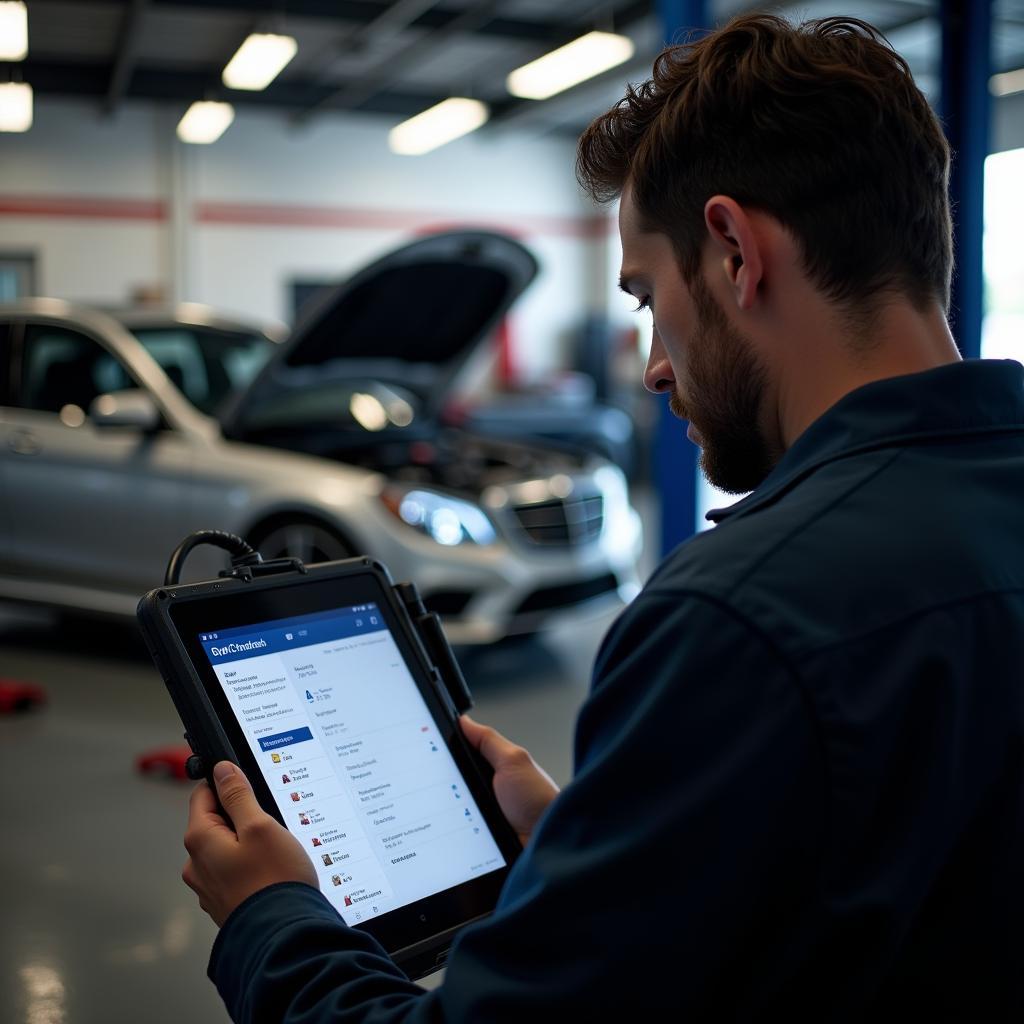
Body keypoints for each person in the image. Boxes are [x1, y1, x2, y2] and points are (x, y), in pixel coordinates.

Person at [182, 13, 1024, 1020]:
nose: (658, 364)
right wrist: (595, 850)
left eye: (646, 299)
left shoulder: (738, 619)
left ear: (733, 251)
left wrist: (272, 914)